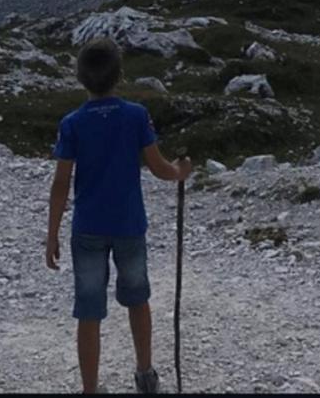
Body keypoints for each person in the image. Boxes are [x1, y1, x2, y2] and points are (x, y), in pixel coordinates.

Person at [46, 36, 193, 395]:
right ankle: (145, 375)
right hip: (129, 225)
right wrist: (180, 171)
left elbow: (61, 183)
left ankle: (90, 389)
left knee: (88, 311)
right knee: (137, 299)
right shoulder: (136, 115)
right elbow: (157, 166)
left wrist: (51, 234)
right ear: (120, 75)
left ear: (80, 77)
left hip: (87, 228)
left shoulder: (72, 123)